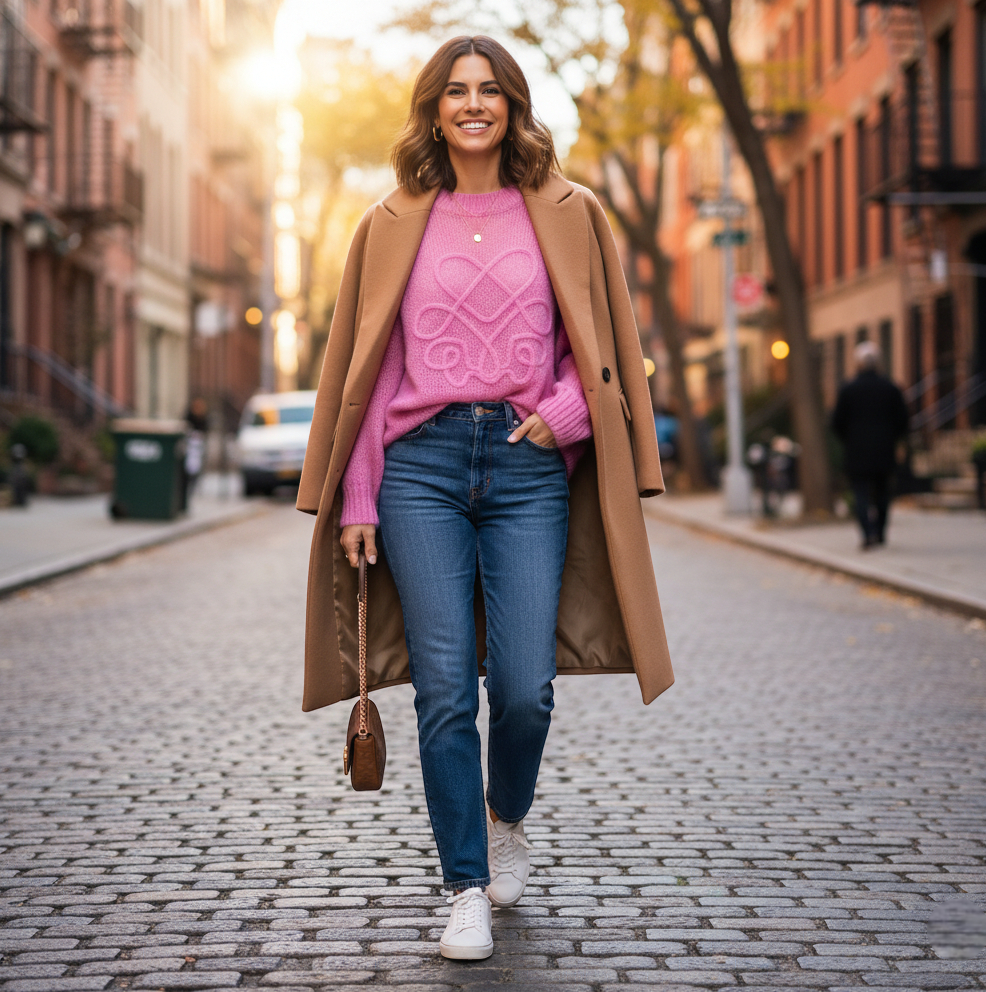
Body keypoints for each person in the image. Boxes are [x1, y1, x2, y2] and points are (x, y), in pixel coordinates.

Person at [295, 36, 674, 961]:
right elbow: (369, 369)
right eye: (455, 91)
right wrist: (358, 497)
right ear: (433, 109)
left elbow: (613, 353)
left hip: (525, 467)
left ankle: (509, 816)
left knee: (523, 689)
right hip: (419, 467)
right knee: (440, 690)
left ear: (513, 105)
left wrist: (561, 417)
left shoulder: (572, 212)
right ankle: (463, 884)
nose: (473, 105)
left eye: (489, 90)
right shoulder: (388, 222)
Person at [831, 340, 909, 548]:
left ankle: (867, 533)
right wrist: (895, 439)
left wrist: (848, 439)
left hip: (856, 451)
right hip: (884, 449)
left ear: (857, 364)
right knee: (883, 493)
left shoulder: (848, 390)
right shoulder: (891, 388)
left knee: (860, 494)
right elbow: (903, 420)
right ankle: (880, 532)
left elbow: (837, 422)